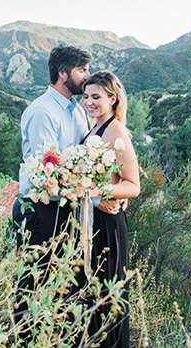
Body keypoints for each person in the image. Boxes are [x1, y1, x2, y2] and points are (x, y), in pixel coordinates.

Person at [81, 70, 140, 348]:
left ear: (113, 98)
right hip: (91, 221)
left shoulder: (116, 131)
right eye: (86, 96)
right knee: (91, 296)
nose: (89, 102)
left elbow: (133, 185)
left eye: (96, 97)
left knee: (108, 296)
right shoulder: (94, 128)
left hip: (108, 223)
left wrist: (99, 192)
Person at [11, 45, 91, 246]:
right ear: (63, 73)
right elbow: (48, 172)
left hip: (67, 207)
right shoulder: (43, 112)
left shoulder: (79, 111)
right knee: (37, 275)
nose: (87, 76)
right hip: (40, 211)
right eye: (82, 70)